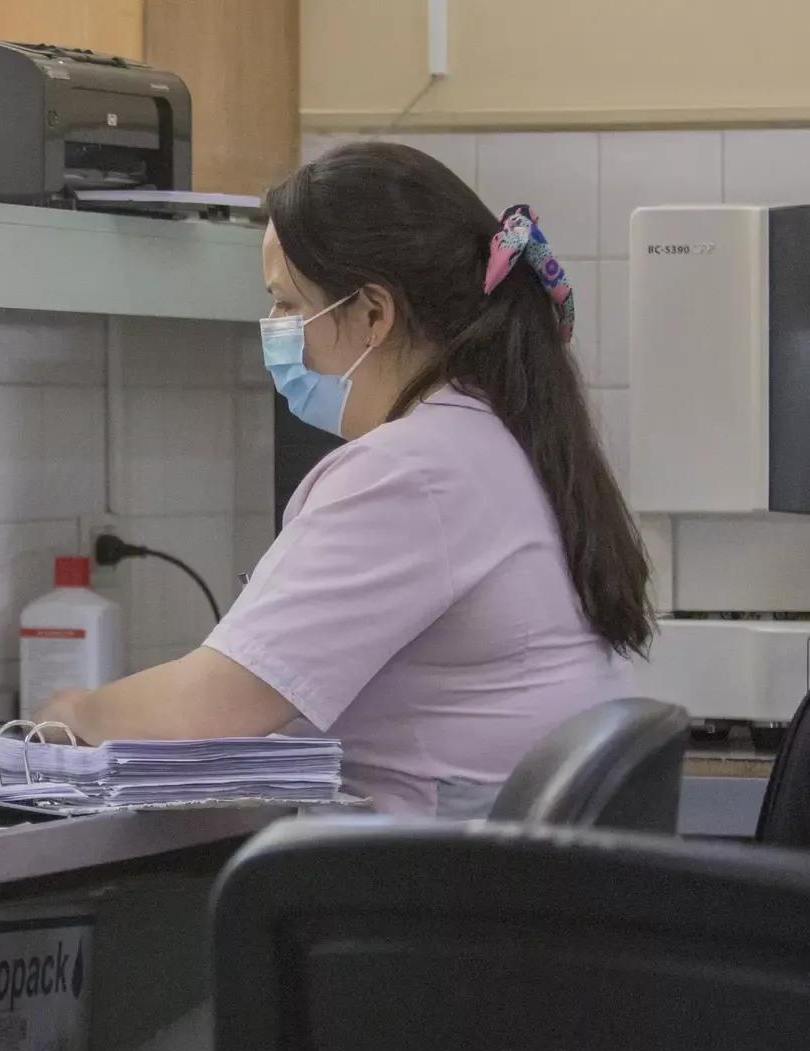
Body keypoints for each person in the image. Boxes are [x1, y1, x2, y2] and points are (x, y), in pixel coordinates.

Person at [39, 142, 651, 816]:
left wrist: (73, 713)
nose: (274, 329)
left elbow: (210, 705)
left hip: (431, 873)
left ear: (372, 315)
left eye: (286, 303)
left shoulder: (409, 471)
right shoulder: (500, 439)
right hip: (498, 868)